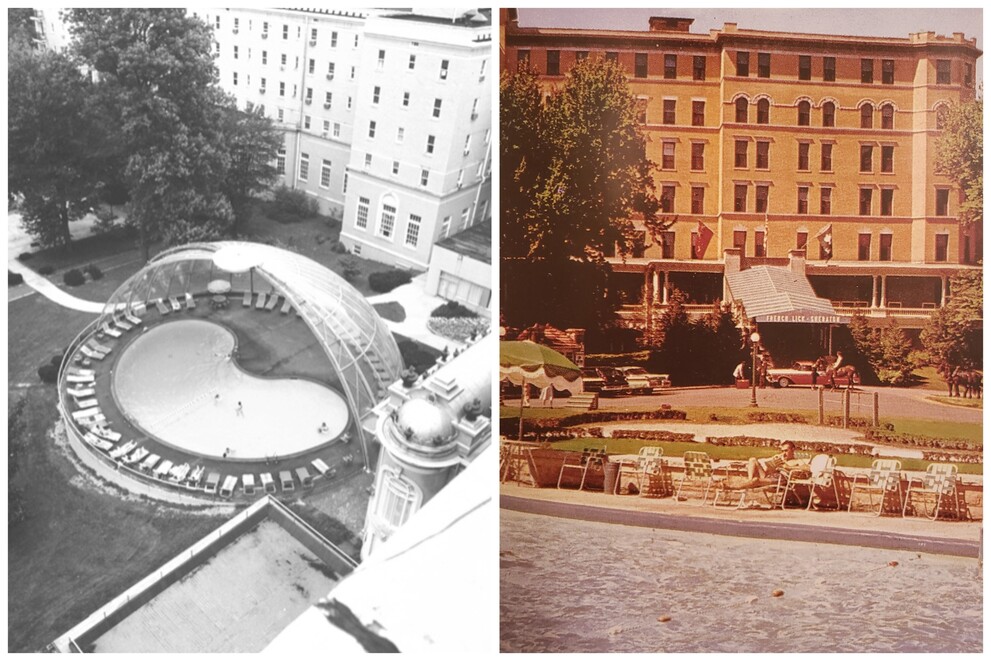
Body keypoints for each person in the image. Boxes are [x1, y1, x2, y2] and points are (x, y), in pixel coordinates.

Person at [743, 441, 808, 487]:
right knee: (752, 459)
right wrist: (772, 463)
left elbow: (807, 468)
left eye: (786, 450)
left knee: (755, 480)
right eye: (782, 451)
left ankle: (749, 483)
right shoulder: (780, 458)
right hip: (768, 476)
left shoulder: (797, 461)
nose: (783, 453)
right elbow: (768, 470)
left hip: (778, 481)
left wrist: (788, 467)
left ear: (793, 449)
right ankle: (749, 481)